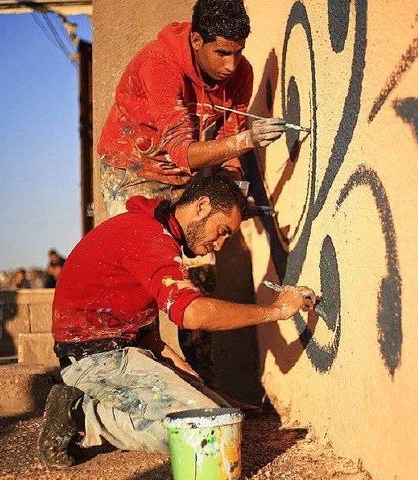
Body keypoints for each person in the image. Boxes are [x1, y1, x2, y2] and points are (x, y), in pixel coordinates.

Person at [38, 176, 316, 468]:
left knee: (224, 415)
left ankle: (93, 409)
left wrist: (191, 380)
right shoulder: (149, 236)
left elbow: (147, 336)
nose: (219, 245)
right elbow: (191, 313)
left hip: (117, 351)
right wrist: (276, 310)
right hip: (93, 358)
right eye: (222, 231)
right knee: (209, 431)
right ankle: (81, 413)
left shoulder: (153, 232)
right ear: (202, 206)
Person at [97, 0, 287, 388]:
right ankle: (136, 390)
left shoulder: (241, 73)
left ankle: (203, 389)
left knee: (199, 280)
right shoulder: (160, 63)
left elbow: (225, 152)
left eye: (239, 52)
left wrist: (236, 194)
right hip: (131, 169)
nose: (232, 65)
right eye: (222, 52)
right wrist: (247, 141)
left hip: (184, 174)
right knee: (141, 283)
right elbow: (186, 149)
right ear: (197, 40)